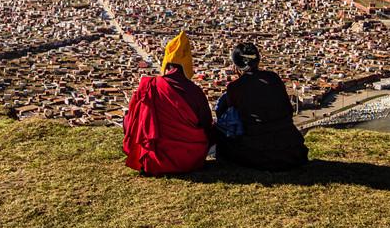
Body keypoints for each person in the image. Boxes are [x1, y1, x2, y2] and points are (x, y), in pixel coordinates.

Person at [123, 31, 213, 175]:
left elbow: (133, 123)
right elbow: (206, 125)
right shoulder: (194, 91)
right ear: (188, 64)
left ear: (166, 63)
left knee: (129, 117)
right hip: (190, 159)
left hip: (155, 160)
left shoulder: (150, 86)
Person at [215, 42, 308, 171]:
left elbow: (229, 119)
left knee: (218, 131)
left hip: (258, 154)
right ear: (258, 61)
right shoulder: (274, 78)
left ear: (236, 66)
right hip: (292, 150)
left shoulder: (235, 87)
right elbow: (288, 110)